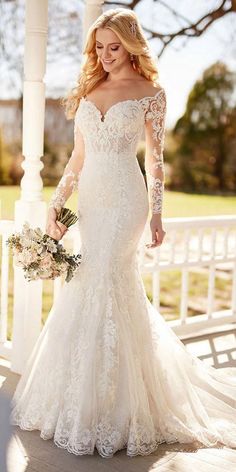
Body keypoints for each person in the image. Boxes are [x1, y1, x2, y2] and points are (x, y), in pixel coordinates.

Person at [10, 7, 236, 459]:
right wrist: (57, 204)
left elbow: (155, 160)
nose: (106, 55)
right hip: (92, 201)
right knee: (84, 284)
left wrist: (156, 214)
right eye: (99, 47)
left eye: (114, 47)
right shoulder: (91, 88)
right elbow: (77, 159)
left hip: (126, 202)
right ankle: (80, 400)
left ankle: (120, 408)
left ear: (131, 45)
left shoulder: (152, 92)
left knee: (109, 283)